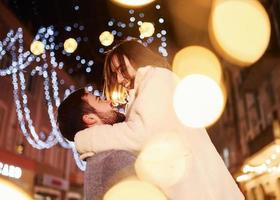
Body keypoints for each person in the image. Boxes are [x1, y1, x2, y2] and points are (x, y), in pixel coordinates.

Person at [74, 40, 245, 200]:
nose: (119, 79)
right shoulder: (145, 87)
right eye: (115, 74)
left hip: (198, 190)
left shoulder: (158, 79)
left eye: (121, 69)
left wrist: (88, 138)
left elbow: (142, 134)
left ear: (136, 58)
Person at [57, 88, 136, 200]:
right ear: (90, 118)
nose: (109, 102)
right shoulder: (112, 159)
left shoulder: (100, 160)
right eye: (99, 100)